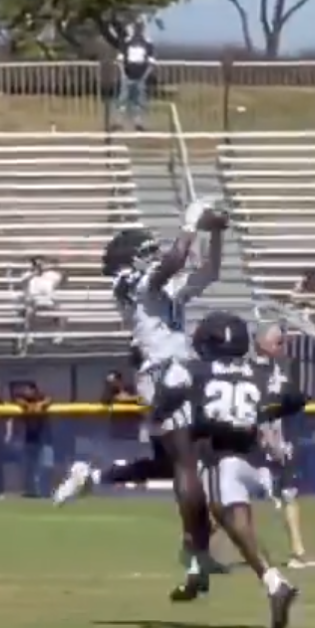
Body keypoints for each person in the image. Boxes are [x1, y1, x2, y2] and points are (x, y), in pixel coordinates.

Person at [54, 200, 230, 595]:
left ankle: (94, 476)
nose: (154, 255)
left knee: (176, 467)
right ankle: (197, 556)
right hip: (163, 376)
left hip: (180, 373)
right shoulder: (126, 284)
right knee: (188, 465)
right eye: (146, 251)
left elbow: (210, 271)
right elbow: (174, 259)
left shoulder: (161, 290)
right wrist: (192, 218)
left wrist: (217, 233)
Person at [148, 312, 306, 628]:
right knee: (225, 518)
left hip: (223, 454)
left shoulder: (193, 369)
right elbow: (295, 398)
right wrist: (264, 410)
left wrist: (180, 414)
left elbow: (162, 402)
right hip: (260, 458)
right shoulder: (260, 369)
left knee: (227, 517)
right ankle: (204, 571)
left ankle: (275, 583)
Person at [250, 323, 315, 570]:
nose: (282, 347)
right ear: (261, 343)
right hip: (254, 443)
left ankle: (298, 551)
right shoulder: (249, 371)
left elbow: (290, 400)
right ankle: (198, 548)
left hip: (281, 440)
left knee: (289, 493)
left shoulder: (282, 367)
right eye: (277, 342)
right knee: (234, 498)